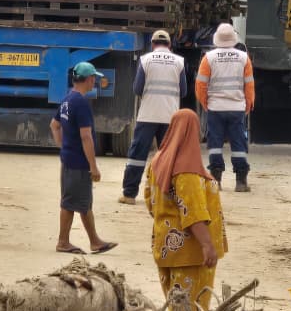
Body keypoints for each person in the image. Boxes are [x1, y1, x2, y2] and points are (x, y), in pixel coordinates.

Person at [145, 107, 226, 311]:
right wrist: (207, 245)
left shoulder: (157, 162)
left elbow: (150, 201)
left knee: (175, 308)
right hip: (190, 253)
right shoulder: (187, 170)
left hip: (165, 248)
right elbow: (193, 214)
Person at [48, 61, 114, 255]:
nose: (95, 81)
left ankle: (95, 241)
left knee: (83, 202)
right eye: (94, 78)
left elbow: (54, 125)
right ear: (89, 79)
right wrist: (93, 166)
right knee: (71, 202)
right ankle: (64, 241)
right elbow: (86, 136)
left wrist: (64, 147)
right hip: (79, 161)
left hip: (69, 158)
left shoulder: (68, 100)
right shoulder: (81, 103)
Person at [120, 29, 186, 204]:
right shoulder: (179, 62)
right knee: (169, 156)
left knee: (137, 154)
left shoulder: (145, 60)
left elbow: (137, 89)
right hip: (170, 117)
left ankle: (129, 194)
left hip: (148, 115)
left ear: (152, 44)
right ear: (170, 45)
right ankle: (168, 195)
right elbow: (184, 91)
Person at [195, 23, 254, 192]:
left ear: (217, 39)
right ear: (234, 40)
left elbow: (200, 85)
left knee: (215, 144)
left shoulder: (209, 57)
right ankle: (241, 182)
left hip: (215, 108)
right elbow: (249, 85)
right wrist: (248, 104)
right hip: (237, 108)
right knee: (238, 144)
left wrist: (205, 103)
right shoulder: (243, 58)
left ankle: (216, 180)